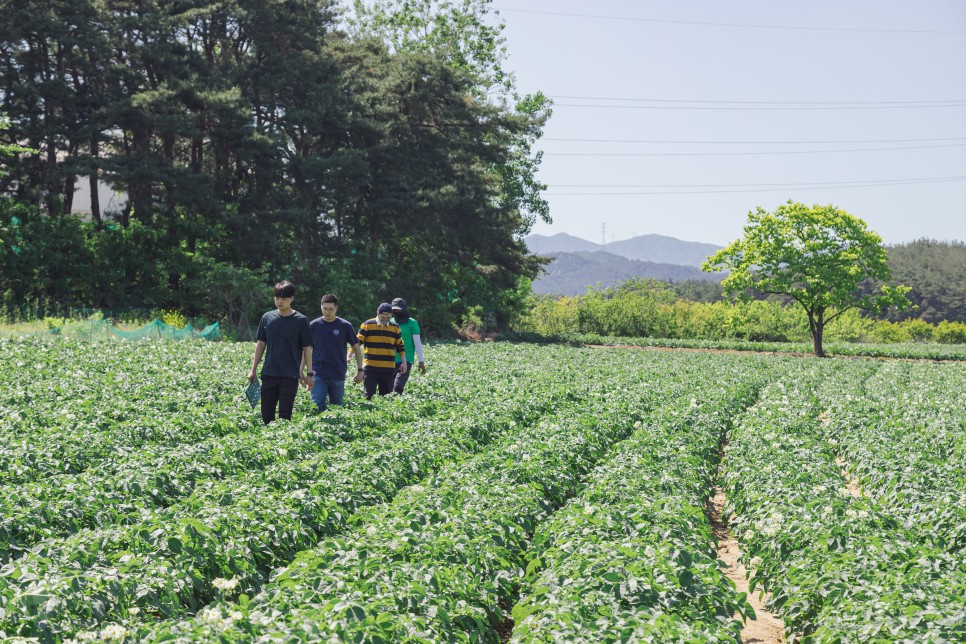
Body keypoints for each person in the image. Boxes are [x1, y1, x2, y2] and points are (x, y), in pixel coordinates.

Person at [248, 280, 313, 424]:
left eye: (284, 299)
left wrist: (309, 374)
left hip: (289, 376)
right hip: (269, 374)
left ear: (292, 299)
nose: (279, 302)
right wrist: (253, 370)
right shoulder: (267, 318)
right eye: (277, 298)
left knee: (285, 416)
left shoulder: (301, 321)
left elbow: (307, 349)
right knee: (266, 415)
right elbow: (261, 344)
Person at [307, 293, 364, 412]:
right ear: (321, 307)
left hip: (337, 373)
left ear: (336, 308)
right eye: (325, 309)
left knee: (336, 410)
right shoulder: (313, 325)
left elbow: (357, 348)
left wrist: (360, 370)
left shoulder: (345, 326)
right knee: (317, 406)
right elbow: (306, 349)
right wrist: (303, 371)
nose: (327, 312)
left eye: (331, 309)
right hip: (318, 373)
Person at [356, 302, 406, 399]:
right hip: (370, 367)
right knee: (369, 396)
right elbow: (357, 343)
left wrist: (404, 362)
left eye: (388, 318)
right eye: (383, 317)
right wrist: (349, 355)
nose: (385, 320)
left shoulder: (395, 328)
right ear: (378, 314)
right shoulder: (367, 325)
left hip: (388, 368)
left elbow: (399, 345)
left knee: (386, 397)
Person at [390, 297, 426, 394]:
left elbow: (417, 343)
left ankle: (397, 404)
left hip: (406, 359)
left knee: (398, 386)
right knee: (389, 387)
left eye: (398, 309)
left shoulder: (412, 323)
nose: (396, 311)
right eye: (394, 310)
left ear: (404, 309)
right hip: (390, 359)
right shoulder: (390, 321)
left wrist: (421, 361)